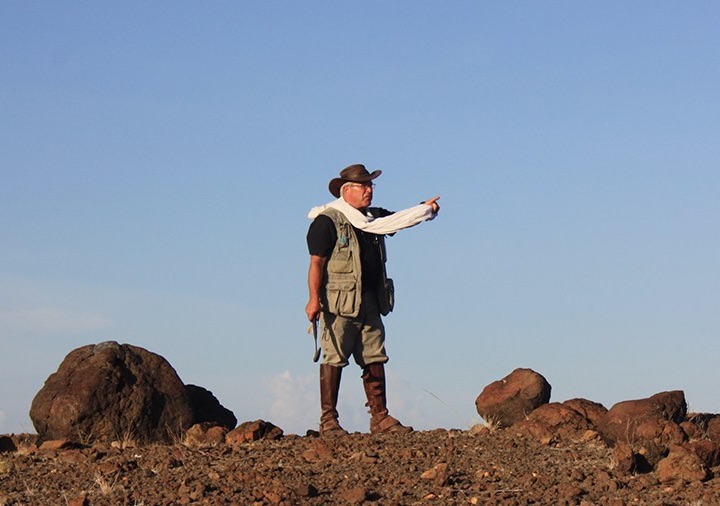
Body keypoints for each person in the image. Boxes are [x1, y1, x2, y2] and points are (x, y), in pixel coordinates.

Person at [305, 163, 440, 435]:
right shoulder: (327, 221)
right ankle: (328, 420)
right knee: (334, 356)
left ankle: (380, 417)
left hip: (370, 300)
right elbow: (316, 263)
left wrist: (423, 209)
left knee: (374, 355)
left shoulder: (373, 219)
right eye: (363, 186)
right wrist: (312, 300)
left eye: (370, 186)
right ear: (346, 190)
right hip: (339, 302)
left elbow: (399, 220)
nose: (369, 191)